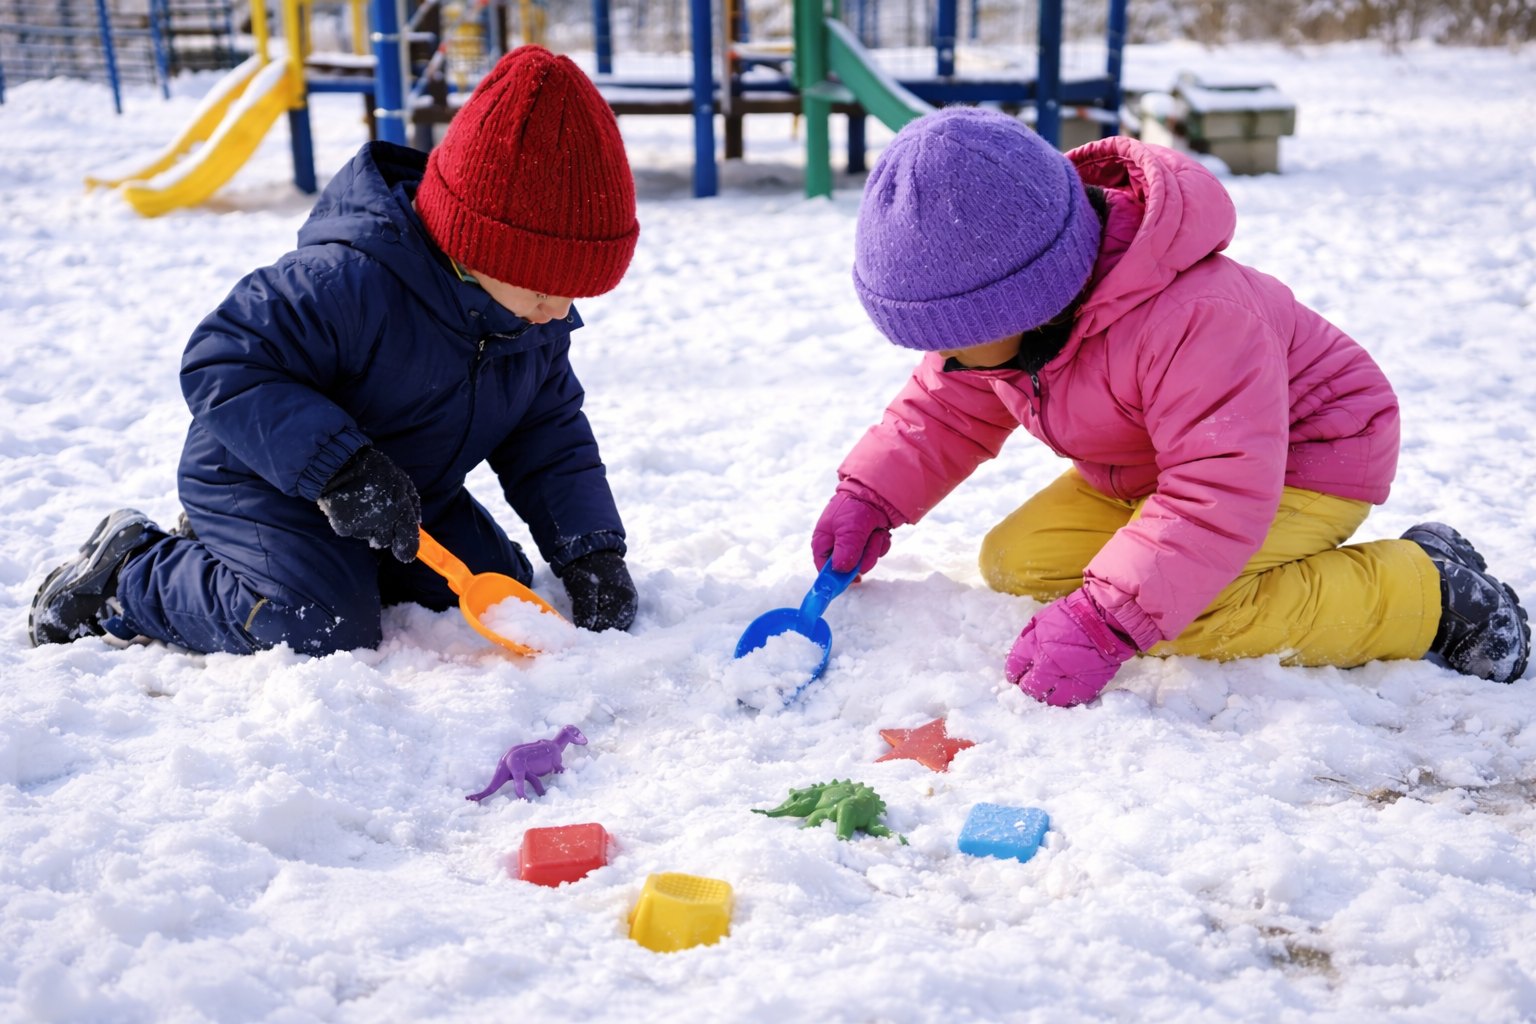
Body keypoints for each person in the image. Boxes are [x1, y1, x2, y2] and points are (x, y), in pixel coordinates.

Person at [812, 108, 1528, 706]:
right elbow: (947, 406)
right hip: (1162, 463)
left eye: (959, 340)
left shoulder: (1194, 317)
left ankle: (1431, 595)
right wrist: (873, 495)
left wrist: (1110, 621)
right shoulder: (1009, 322)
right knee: (1018, 563)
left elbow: (1216, 490)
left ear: (1031, 297)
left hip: (1302, 458)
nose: (950, 358)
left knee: (1183, 613)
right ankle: (1368, 573)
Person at [31, 46, 641, 654]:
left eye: (575, 292)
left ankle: (302, 561)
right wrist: (340, 469)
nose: (560, 311)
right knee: (317, 623)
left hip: (402, 495)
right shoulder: (347, 280)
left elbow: (549, 433)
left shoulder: (527, 318)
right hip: (265, 474)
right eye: (545, 287)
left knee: (501, 585)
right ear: (480, 247)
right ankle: (130, 573)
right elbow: (222, 360)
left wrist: (591, 550)